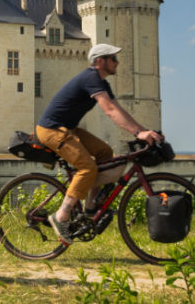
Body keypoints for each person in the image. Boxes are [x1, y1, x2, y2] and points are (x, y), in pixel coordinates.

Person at [37, 44, 163, 246]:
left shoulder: (102, 82)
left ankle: (90, 208)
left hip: (67, 129)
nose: (117, 61)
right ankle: (61, 216)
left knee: (105, 151)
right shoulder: (91, 78)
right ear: (99, 61)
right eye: (113, 58)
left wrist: (144, 131)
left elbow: (119, 110)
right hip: (52, 130)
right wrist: (139, 133)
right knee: (87, 167)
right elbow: (110, 111)